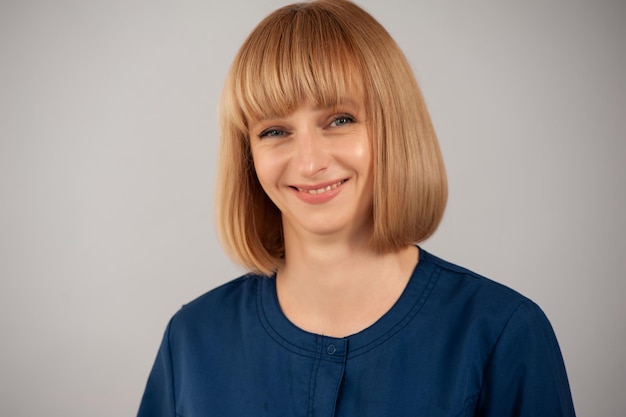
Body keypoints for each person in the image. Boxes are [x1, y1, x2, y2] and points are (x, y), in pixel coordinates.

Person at [137, 1, 576, 416]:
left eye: (340, 120)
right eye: (274, 130)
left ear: (393, 127)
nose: (309, 162)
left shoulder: (502, 333)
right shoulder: (192, 340)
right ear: (247, 155)